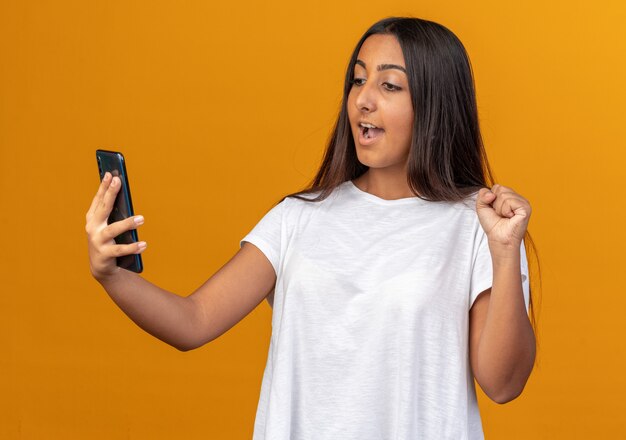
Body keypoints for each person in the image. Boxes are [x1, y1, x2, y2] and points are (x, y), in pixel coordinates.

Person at [85, 16, 537, 440]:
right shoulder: (298, 217)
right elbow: (192, 322)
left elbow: (503, 383)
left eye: (389, 84)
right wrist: (112, 274)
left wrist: (503, 252)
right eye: (358, 79)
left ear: (436, 103)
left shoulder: (480, 224)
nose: (363, 98)